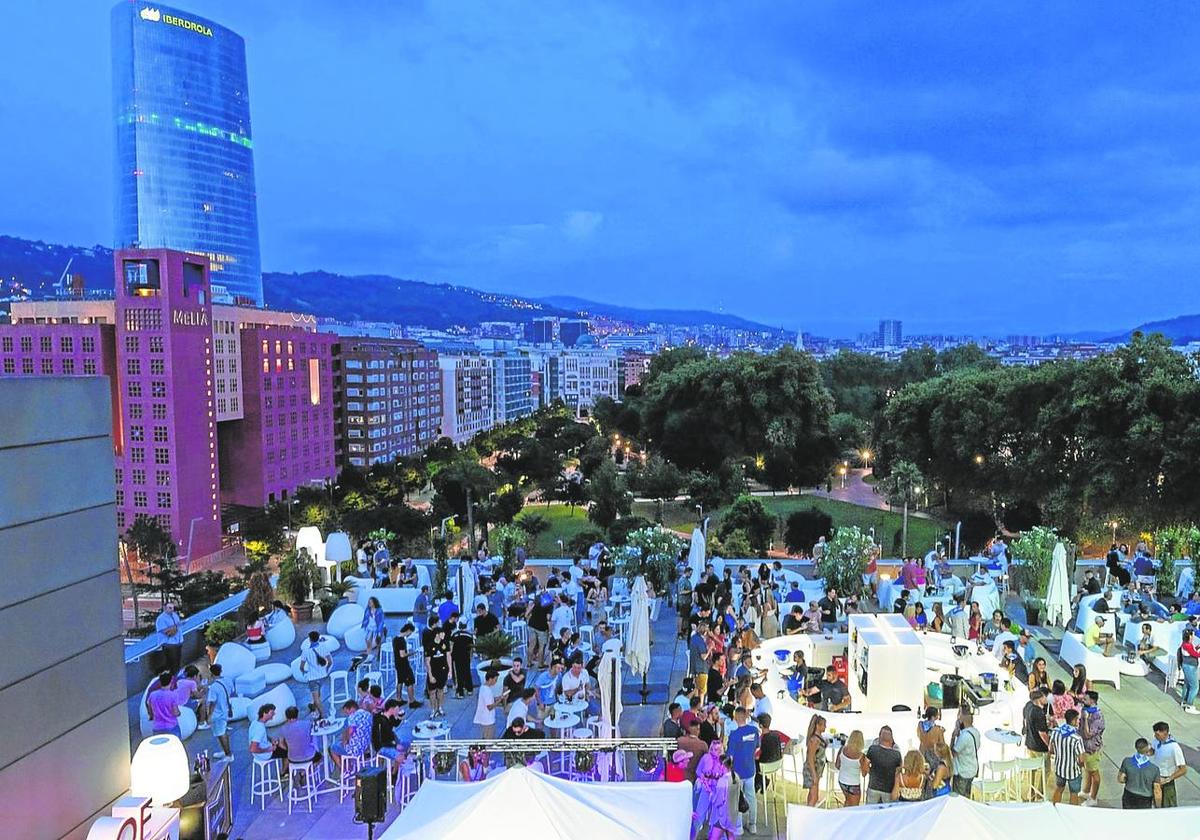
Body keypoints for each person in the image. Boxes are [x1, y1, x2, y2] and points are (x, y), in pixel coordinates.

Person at [727, 707, 760, 835]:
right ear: (746, 716)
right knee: (751, 798)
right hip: (750, 770)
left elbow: (730, 757)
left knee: (737, 799)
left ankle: (739, 827)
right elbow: (757, 747)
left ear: (735, 718)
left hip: (738, 772)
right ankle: (753, 825)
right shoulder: (754, 731)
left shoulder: (734, 735)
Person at [693, 744, 736, 840]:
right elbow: (698, 771)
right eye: (712, 749)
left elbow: (726, 776)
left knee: (717, 820)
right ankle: (693, 836)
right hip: (706, 789)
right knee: (699, 814)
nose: (713, 751)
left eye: (716, 750)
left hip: (717, 791)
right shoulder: (706, 757)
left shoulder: (724, 761)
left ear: (721, 750)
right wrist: (703, 778)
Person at [1049, 708, 1085, 805]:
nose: (1078, 721)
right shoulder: (1077, 738)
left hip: (1060, 768)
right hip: (1073, 771)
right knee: (1074, 793)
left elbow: (1051, 750)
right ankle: (1071, 813)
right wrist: (1081, 765)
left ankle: (1054, 808)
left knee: (1059, 788)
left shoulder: (1056, 731)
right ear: (1073, 720)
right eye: (1078, 719)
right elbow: (1081, 759)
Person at [1119, 737, 1163, 809]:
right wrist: (1158, 807)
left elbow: (1121, 779)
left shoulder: (1127, 761)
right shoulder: (1154, 769)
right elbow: (1157, 790)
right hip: (1145, 799)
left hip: (1129, 795)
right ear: (1147, 749)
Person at [1151, 721, 1187, 807]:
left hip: (1166, 781)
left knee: (1169, 807)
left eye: (1158, 734)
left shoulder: (1174, 747)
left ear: (1165, 732)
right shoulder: (1156, 741)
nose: (1155, 736)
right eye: (1155, 734)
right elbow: (1153, 751)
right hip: (1155, 779)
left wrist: (1168, 779)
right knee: (1156, 806)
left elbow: (1183, 769)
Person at [863, 726, 902, 804]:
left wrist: (870, 773)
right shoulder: (897, 754)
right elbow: (899, 771)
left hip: (873, 787)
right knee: (887, 813)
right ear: (891, 739)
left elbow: (865, 765)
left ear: (880, 737)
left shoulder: (872, 749)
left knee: (870, 811)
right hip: (889, 789)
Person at [331, 700, 373, 772]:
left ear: (351, 708)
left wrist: (345, 740)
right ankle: (349, 764)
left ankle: (344, 770)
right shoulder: (368, 714)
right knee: (342, 743)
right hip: (365, 745)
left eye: (347, 712)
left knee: (332, 748)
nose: (347, 714)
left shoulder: (352, 717)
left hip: (355, 749)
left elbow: (351, 731)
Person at [1079, 690, 1105, 806]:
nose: (1083, 701)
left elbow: (1089, 734)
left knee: (1094, 772)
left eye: (1086, 699)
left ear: (1092, 701)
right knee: (1087, 769)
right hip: (1084, 746)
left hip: (1092, 748)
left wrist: (1085, 719)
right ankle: (1086, 791)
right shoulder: (1085, 711)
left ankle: (1093, 797)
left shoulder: (1097, 716)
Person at [298, 630, 330, 717]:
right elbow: (330, 661)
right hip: (323, 675)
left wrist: (304, 672)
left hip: (313, 678)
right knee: (318, 693)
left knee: (316, 698)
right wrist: (326, 670)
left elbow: (301, 666)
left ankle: (323, 715)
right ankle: (314, 706)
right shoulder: (324, 647)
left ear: (309, 639)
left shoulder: (306, 651)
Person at [371, 699, 407, 775]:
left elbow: (395, 724)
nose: (398, 710)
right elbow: (380, 741)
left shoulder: (389, 716)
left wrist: (400, 717)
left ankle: (394, 771)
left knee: (407, 745)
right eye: (397, 709)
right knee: (400, 756)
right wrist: (395, 745)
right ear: (391, 709)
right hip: (381, 746)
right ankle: (394, 774)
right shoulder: (380, 721)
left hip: (390, 742)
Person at [390, 622, 421, 708]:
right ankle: (412, 701)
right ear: (408, 630)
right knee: (410, 681)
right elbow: (402, 654)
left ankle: (398, 699)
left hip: (397, 663)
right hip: (403, 664)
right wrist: (412, 653)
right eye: (410, 632)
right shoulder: (402, 641)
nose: (410, 634)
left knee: (400, 681)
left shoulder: (395, 638)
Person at [950, 709, 980, 797]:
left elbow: (952, 753)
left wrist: (953, 737)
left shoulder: (964, 736)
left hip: (962, 771)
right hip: (972, 769)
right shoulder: (975, 732)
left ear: (961, 722)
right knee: (967, 797)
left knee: (959, 800)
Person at [425, 619, 452, 718]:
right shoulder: (429, 646)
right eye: (442, 633)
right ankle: (433, 709)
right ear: (437, 634)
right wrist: (430, 675)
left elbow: (449, 656)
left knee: (441, 690)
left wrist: (450, 671)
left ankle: (440, 707)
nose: (444, 635)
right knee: (432, 692)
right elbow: (427, 662)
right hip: (433, 671)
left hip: (443, 670)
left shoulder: (445, 644)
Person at [206, 663, 233, 758]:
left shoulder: (213, 687)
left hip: (218, 713)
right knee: (222, 732)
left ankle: (228, 754)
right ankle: (225, 751)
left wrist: (209, 716)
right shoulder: (228, 680)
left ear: (211, 673)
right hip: (226, 709)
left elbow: (212, 703)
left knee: (221, 734)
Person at [1023, 689, 1051, 782]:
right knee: (1046, 770)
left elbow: (1026, 719)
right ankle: (1040, 793)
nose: (1046, 698)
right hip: (1040, 748)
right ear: (1039, 699)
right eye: (1044, 696)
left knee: (1032, 769)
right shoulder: (1039, 713)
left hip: (1030, 743)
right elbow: (1042, 733)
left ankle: (1030, 792)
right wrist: (1050, 745)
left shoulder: (1028, 705)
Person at [146, 671, 182, 738]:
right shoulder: (173, 695)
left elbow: (149, 708)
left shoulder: (153, 695)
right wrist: (179, 713)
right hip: (171, 726)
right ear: (171, 681)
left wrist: (152, 716)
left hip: (157, 727)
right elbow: (175, 712)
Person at [835, 729, 865, 806]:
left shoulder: (842, 749)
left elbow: (837, 766)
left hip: (842, 780)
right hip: (853, 783)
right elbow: (864, 773)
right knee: (854, 807)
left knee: (848, 801)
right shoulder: (861, 756)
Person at [802, 714, 827, 807]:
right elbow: (810, 758)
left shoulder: (818, 738)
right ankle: (809, 813)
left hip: (817, 769)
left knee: (812, 794)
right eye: (824, 725)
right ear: (818, 726)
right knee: (814, 797)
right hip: (812, 770)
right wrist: (814, 775)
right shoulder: (814, 740)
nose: (825, 727)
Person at [474, 670, 506, 740]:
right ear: (490, 679)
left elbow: (490, 699)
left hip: (485, 719)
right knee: (488, 739)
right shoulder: (487, 691)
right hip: (488, 720)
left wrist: (498, 697)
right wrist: (500, 701)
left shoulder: (483, 687)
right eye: (495, 679)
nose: (496, 681)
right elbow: (490, 707)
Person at [155, 603, 183, 676]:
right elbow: (166, 632)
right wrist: (175, 627)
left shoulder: (175, 615)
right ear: (165, 608)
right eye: (170, 608)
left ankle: (176, 678)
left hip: (178, 643)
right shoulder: (161, 618)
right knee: (172, 664)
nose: (172, 610)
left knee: (177, 663)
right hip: (169, 644)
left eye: (173, 608)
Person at [1177, 628, 1200, 713]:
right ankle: (1189, 706)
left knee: (1187, 684)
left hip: (1187, 666)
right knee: (1195, 686)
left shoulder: (1186, 644)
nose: (1194, 636)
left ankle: (1184, 701)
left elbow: (1193, 651)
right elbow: (1195, 654)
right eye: (1193, 635)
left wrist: (1198, 647)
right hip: (1190, 667)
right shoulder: (1187, 645)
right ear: (1190, 636)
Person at [450, 620, 475, 697]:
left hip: (457, 657)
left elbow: (451, 646)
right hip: (466, 656)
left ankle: (460, 692)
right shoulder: (470, 636)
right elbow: (472, 649)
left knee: (458, 674)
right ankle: (470, 689)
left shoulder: (454, 635)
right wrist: (470, 657)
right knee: (467, 672)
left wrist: (450, 656)